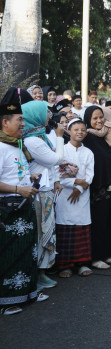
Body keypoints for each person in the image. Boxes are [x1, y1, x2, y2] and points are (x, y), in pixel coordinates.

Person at [0, 88, 46, 315]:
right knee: (10, 255)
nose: (23, 124)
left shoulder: (16, 145)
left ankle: (28, 293)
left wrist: (30, 178)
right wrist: (19, 188)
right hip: (8, 211)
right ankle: (8, 301)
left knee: (27, 253)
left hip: (23, 207)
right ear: (4, 123)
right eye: (19, 120)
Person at [21, 100, 64, 289]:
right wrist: (60, 137)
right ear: (36, 116)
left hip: (45, 191)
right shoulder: (32, 141)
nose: (49, 115)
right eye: (45, 112)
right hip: (38, 194)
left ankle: (43, 271)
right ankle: (38, 273)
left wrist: (56, 180)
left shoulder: (39, 137)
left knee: (45, 231)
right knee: (40, 233)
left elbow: (50, 165)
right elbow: (56, 159)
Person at [82, 106, 111, 270]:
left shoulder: (103, 136)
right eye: (94, 118)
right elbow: (99, 162)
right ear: (88, 120)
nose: (99, 121)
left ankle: (108, 254)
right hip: (99, 189)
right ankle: (96, 257)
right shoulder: (88, 138)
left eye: (101, 118)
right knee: (99, 223)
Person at [55, 118, 94, 279]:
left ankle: (82, 263)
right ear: (68, 131)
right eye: (76, 129)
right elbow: (57, 175)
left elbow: (90, 175)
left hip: (83, 196)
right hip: (64, 195)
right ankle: (65, 265)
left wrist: (79, 188)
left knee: (82, 228)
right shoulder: (61, 150)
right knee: (65, 229)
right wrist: (76, 182)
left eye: (83, 130)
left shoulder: (88, 152)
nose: (80, 132)